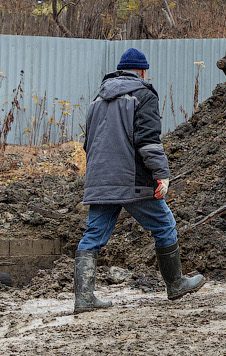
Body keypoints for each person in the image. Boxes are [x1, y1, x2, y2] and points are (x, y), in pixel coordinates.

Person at [74, 47, 203, 313]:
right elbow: (148, 142)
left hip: (100, 178)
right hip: (132, 178)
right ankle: (175, 283)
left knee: (94, 235)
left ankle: (83, 298)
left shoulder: (98, 97)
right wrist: (162, 174)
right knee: (164, 224)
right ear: (142, 71)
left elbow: (88, 143)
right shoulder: (143, 94)